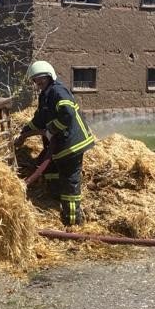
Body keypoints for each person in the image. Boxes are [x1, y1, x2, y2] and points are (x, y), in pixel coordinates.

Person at [14, 60, 95, 226]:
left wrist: (51, 129)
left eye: (41, 79)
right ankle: (54, 196)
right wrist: (23, 133)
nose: (39, 83)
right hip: (60, 145)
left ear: (50, 76)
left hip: (72, 144)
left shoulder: (58, 91)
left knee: (70, 181)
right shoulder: (45, 95)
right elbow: (39, 119)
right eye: (36, 81)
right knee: (50, 168)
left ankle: (72, 221)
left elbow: (68, 114)